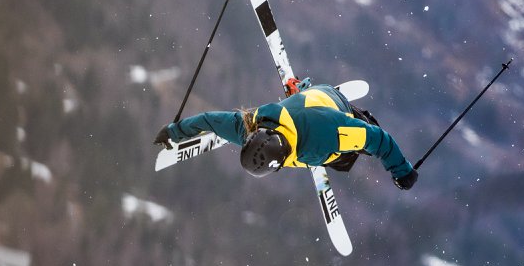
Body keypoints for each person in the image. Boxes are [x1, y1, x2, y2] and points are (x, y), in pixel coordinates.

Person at [153, 81, 418, 189]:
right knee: (300, 111)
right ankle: (299, 89)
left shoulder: (331, 135)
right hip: (306, 104)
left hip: (335, 105)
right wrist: (173, 131)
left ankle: (343, 107)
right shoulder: (251, 126)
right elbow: (210, 121)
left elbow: (379, 139)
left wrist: (402, 172)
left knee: (345, 159)